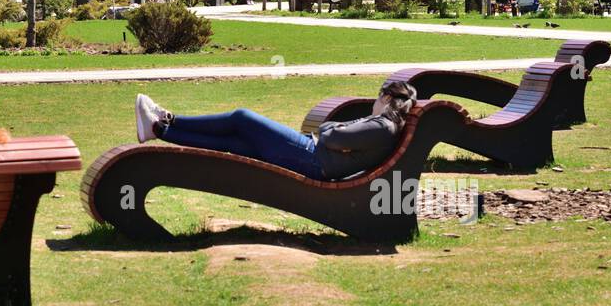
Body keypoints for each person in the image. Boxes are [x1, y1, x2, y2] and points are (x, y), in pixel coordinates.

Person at [133, 80, 419, 181]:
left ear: (387, 99)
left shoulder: (383, 126)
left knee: (241, 118)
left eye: (378, 96)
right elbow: (335, 136)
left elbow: (331, 134)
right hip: (312, 154)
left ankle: (172, 120)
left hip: (311, 157)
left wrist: (332, 128)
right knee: (233, 142)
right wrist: (333, 130)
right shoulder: (385, 126)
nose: (374, 101)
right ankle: (159, 130)